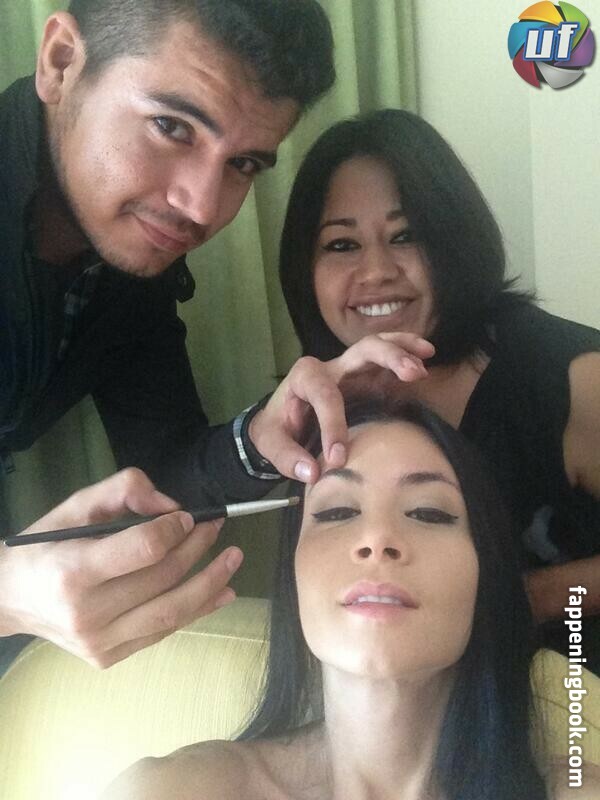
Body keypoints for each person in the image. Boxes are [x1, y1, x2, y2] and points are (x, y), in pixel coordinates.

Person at [0, 0, 341, 670]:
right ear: (61, 63)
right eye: (171, 126)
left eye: (244, 164)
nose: (201, 207)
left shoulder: (132, 260)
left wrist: (261, 439)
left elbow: (161, 469)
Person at [102, 399, 600, 799]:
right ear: (294, 572)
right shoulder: (174, 790)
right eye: (337, 512)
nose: (377, 538)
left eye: (428, 513)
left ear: (485, 576)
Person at [250, 109, 600, 672]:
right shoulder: (320, 399)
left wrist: (525, 598)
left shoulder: (569, 377)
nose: (376, 272)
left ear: (455, 243)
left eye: (406, 236)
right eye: (341, 244)